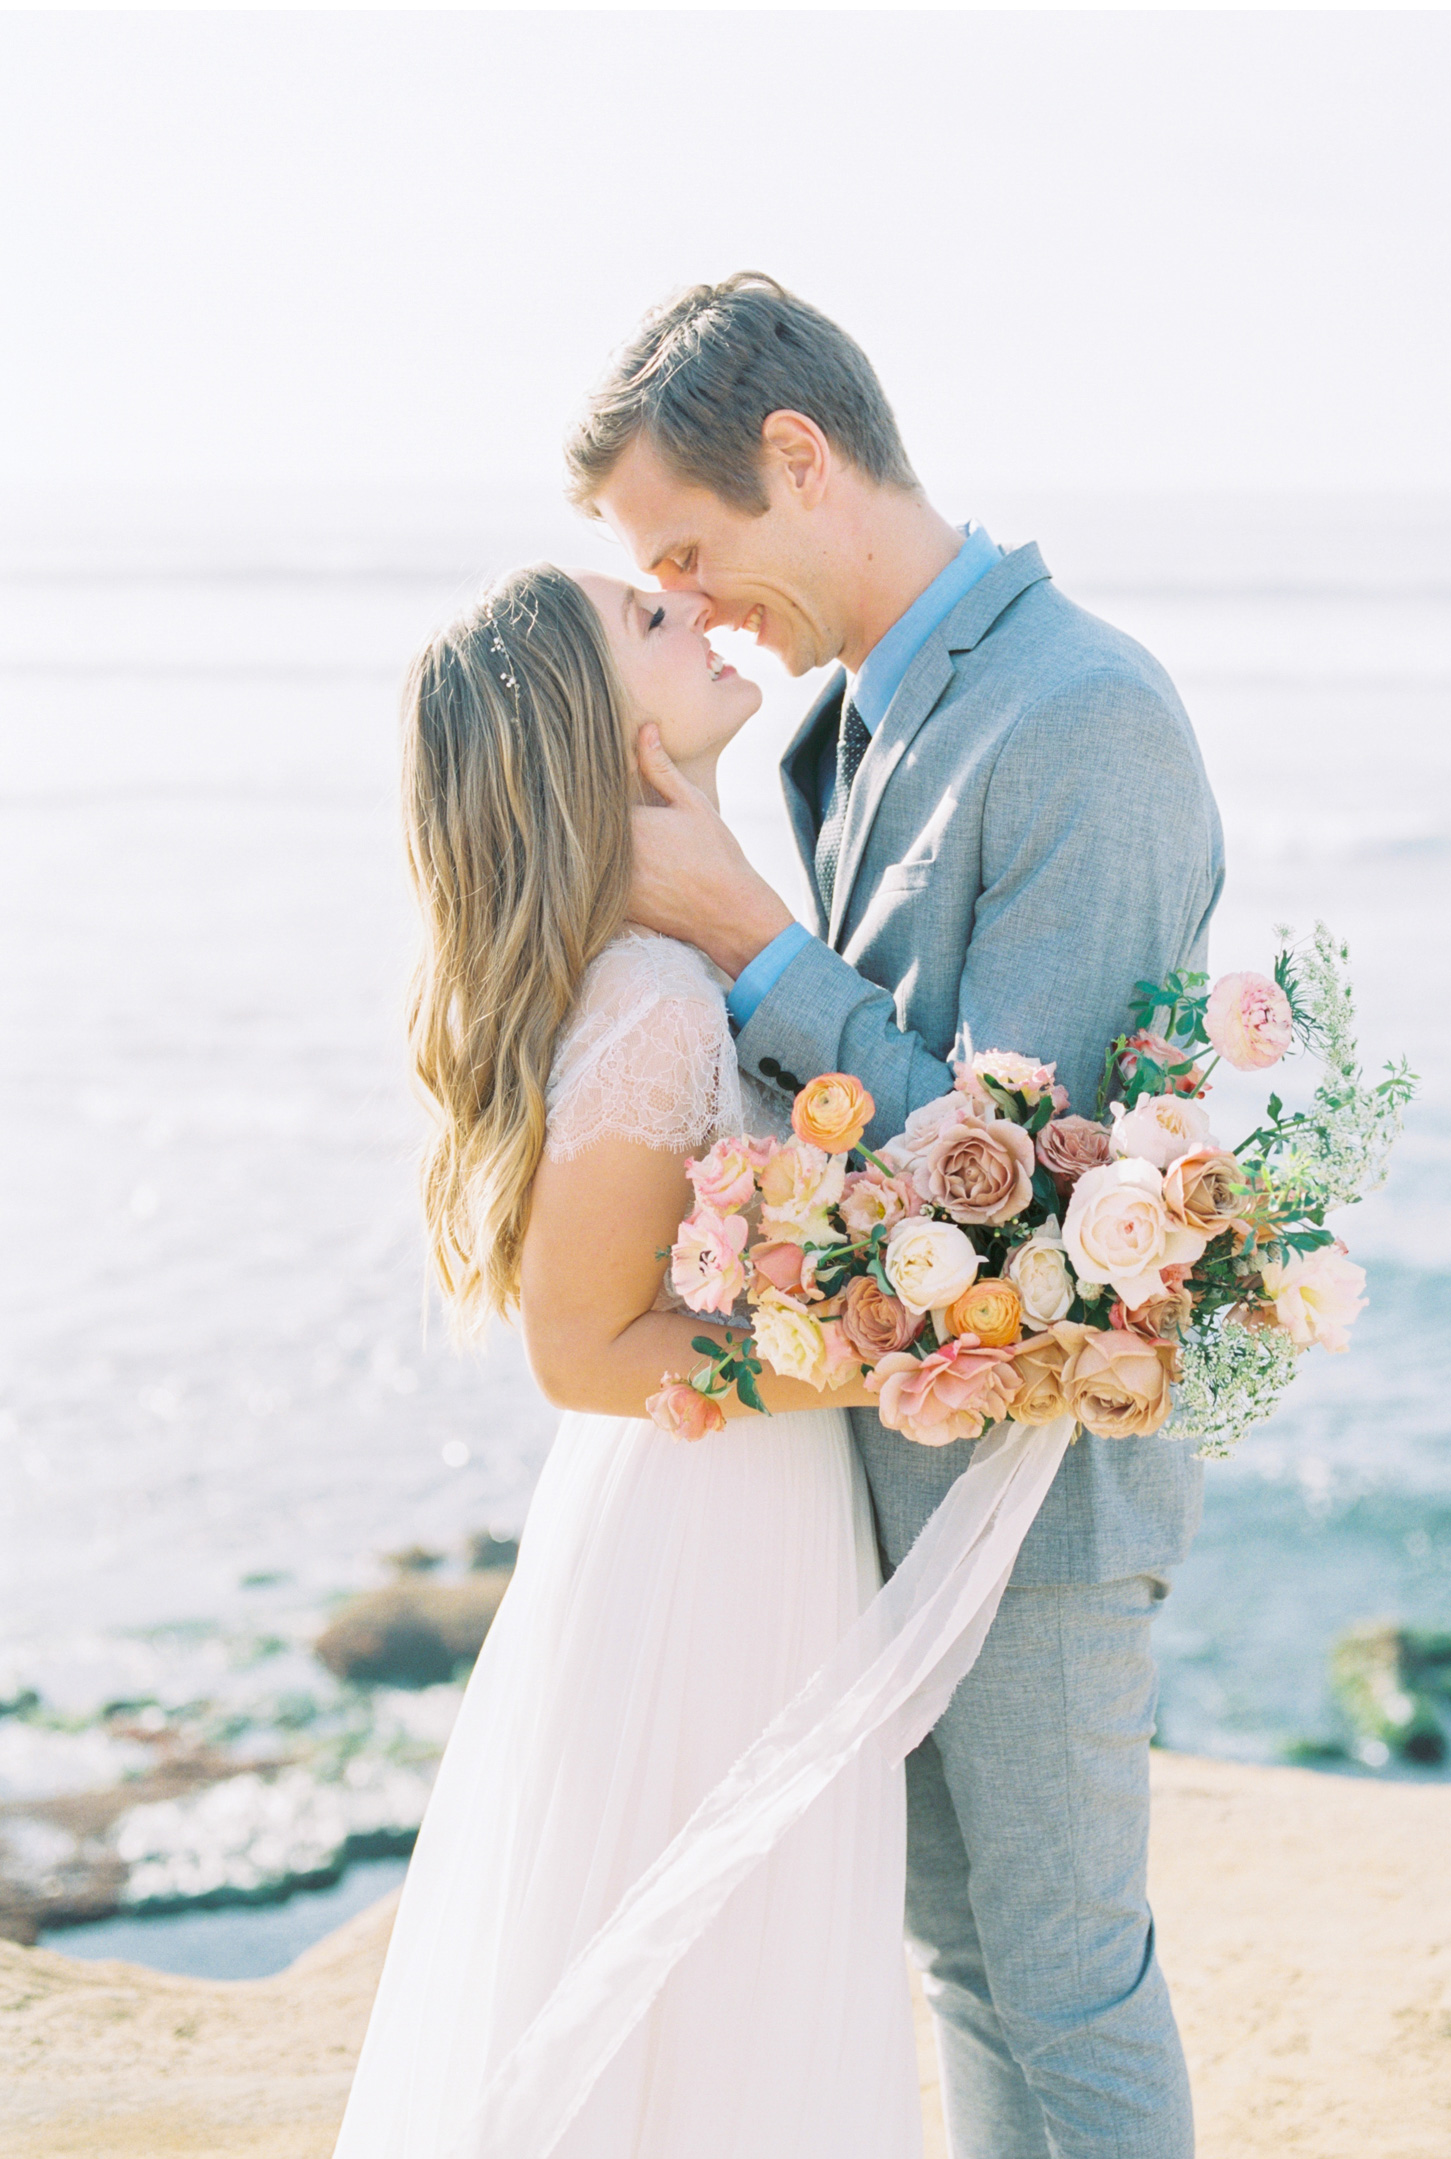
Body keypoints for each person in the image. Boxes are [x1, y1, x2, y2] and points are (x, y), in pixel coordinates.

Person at [566, 271, 1225, 2159]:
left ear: (801, 456)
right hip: (900, 1464)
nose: (688, 606)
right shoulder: (838, 735)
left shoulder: (1079, 714)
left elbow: (1030, 1205)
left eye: (690, 549)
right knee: (966, 1959)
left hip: (1037, 1491)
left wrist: (748, 942)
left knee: (1066, 1979)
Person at [332, 563, 923, 2157]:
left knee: (725, 2005)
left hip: (738, 1509)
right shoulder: (657, 999)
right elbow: (584, 1347)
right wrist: (883, 1350)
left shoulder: (683, 957)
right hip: (701, 1552)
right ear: (596, 736)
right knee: (705, 2006)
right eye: (648, 625)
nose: (699, 615)